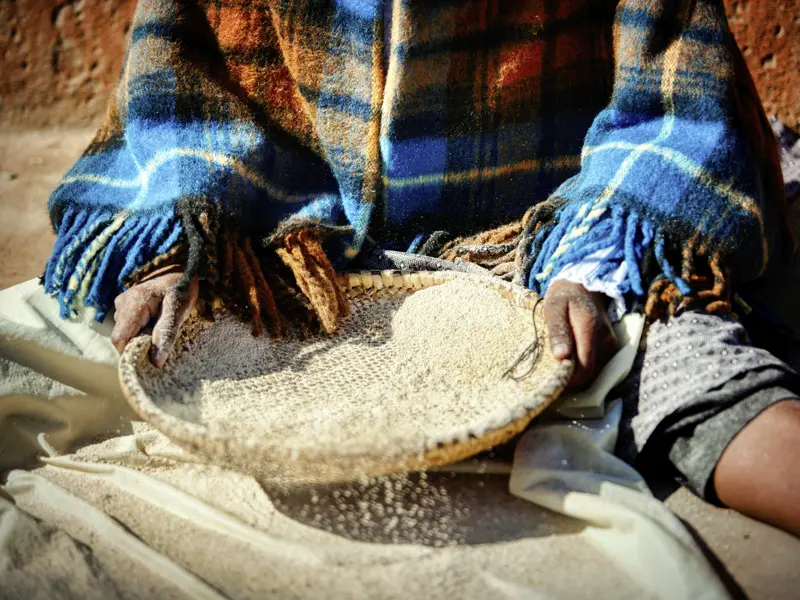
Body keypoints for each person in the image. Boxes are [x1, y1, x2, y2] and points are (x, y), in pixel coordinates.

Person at [5, 0, 800, 537]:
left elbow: (673, 95)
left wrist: (599, 263)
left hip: (544, 239)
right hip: (286, 244)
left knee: (696, 379)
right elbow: (180, 86)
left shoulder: (580, 252)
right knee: (37, 345)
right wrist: (177, 246)